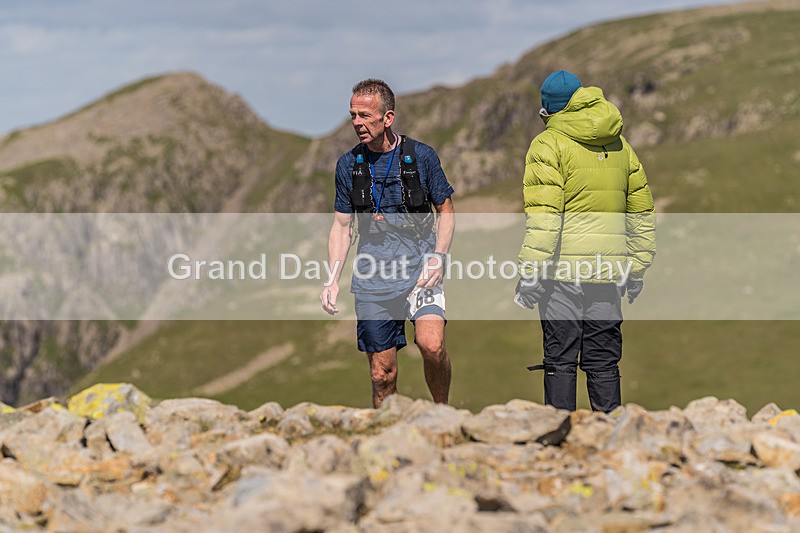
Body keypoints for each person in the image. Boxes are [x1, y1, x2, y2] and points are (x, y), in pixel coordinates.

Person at [514, 70, 656, 413]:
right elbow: (641, 211)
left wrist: (531, 272)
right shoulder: (621, 144)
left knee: (561, 359)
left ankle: (561, 438)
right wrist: (636, 267)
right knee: (604, 361)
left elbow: (546, 217)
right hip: (608, 273)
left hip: (562, 276)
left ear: (548, 110)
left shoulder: (547, 144)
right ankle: (610, 436)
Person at [320, 78, 456, 408]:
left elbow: (446, 210)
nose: (357, 123)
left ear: (388, 118)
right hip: (372, 279)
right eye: (353, 115)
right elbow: (341, 226)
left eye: (365, 116)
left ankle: (442, 414)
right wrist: (333, 279)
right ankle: (386, 432)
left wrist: (439, 256)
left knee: (431, 345)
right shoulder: (348, 166)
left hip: (421, 270)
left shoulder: (422, 156)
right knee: (383, 374)